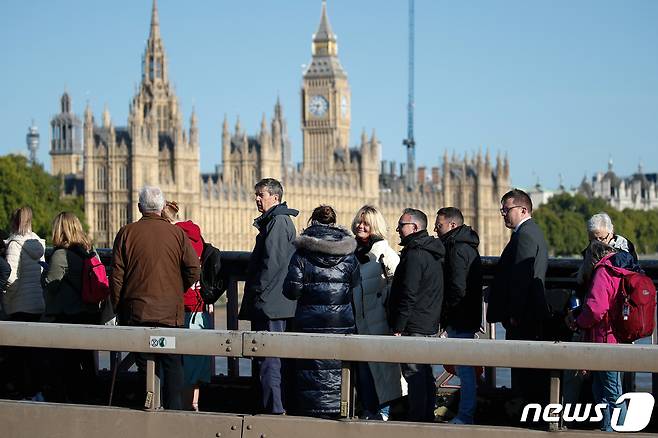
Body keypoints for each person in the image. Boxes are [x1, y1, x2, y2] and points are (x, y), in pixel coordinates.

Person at [110, 186, 200, 410]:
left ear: (140, 207)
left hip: (137, 312)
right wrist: (176, 290)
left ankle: (148, 409)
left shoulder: (126, 233)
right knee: (172, 365)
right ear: (161, 208)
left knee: (144, 365)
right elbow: (193, 269)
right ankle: (174, 413)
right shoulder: (177, 234)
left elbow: (117, 277)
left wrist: (119, 306)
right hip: (171, 313)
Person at [283, 205, 360, 418]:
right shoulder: (349, 254)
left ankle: (312, 415)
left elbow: (292, 291)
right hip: (341, 321)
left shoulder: (302, 254)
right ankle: (338, 411)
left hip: (309, 322)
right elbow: (355, 284)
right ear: (334, 224)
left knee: (311, 368)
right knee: (337, 368)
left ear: (312, 222)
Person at [238, 178, 298, 414]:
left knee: (269, 358)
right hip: (272, 302)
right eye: (256, 194)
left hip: (271, 304)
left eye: (261, 194)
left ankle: (274, 409)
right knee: (265, 357)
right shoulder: (275, 222)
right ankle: (271, 405)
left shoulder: (278, 222)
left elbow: (271, 265)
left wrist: (258, 293)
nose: (257, 199)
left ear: (275, 197)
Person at [487, 189, 549, 407]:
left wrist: (514, 313)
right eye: (502, 210)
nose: (503, 214)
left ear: (523, 210)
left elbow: (522, 278)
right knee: (528, 368)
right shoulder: (530, 232)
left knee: (524, 371)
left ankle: (525, 413)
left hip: (524, 318)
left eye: (507, 210)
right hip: (528, 315)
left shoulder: (525, 235)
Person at [566, 240, 634, 432]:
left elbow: (596, 309)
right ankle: (608, 430)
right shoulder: (617, 269)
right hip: (614, 338)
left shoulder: (603, 271)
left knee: (612, 393)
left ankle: (620, 431)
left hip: (606, 340)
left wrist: (579, 322)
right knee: (602, 391)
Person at [388, 208, 445, 422]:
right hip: (429, 321)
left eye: (401, 225)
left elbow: (408, 293)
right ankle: (427, 416)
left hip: (414, 325)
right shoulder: (433, 251)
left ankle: (418, 421)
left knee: (414, 374)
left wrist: (398, 327)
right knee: (425, 373)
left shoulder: (415, 254)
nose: (397, 229)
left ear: (414, 227)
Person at [42, 211, 101, 403]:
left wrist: (43, 274)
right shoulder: (89, 251)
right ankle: (90, 401)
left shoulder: (61, 254)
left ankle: (70, 405)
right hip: (89, 314)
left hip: (67, 316)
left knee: (67, 367)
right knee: (87, 364)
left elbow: (51, 286)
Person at [351, 205, 402, 420]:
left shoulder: (385, 252)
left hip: (378, 318)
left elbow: (397, 287)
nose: (361, 226)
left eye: (366, 223)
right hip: (357, 319)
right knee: (363, 370)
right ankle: (369, 411)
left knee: (381, 370)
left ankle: (382, 414)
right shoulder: (351, 249)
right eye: (359, 222)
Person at [434, 207, 482, 425]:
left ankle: (466, 415)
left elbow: (457, 288)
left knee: (465, 369)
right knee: (465, 368)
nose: (435, 229)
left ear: (452, 225)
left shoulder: (457, 249)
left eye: (439, 225)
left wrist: (447, 316)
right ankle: (465, 412)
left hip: (460, 317)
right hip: (464, 316)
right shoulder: (461, 245)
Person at [161, 200, 211, 412]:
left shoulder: (174, 238)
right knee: (195, 361)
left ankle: (176, 408)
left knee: (173, 358)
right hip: (199, 306)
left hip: (180, 307)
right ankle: (194, 405)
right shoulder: (196, 236)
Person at [3, 206, 46, 401]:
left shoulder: (14, 244)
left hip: (20, 304)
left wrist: (5, 295)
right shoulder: (38, 242)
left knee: (18, 355)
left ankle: (22, 393)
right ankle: (36, 392)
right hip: (37, 304)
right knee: (33, 354)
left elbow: (10, 278)